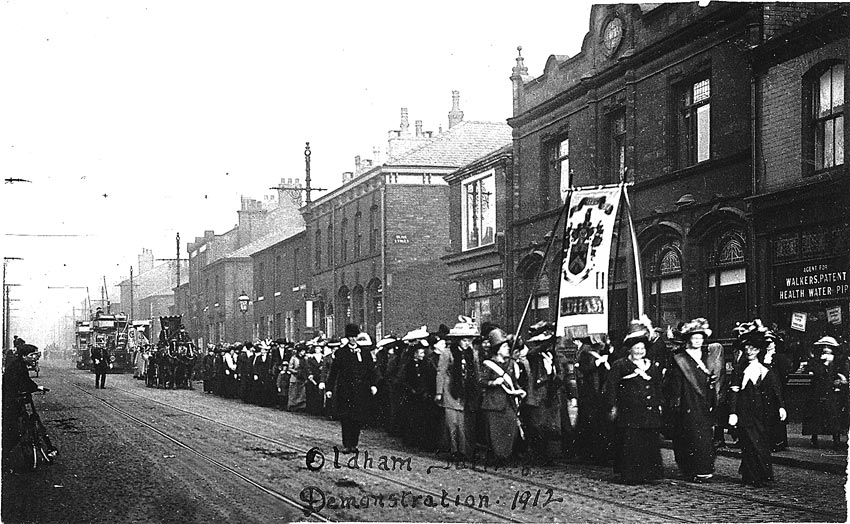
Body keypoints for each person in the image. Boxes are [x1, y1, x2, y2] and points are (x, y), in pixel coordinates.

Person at [664, 317, 723, 482]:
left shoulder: (707, 356)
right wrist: (676, 403)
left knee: (704, 437)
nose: (698, 341)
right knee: (688, 436)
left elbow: (712, 380)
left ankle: (704, 468)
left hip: (704, 402)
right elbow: (675, 383)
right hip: (687, 402)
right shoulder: (680, 358)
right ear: (689, 340)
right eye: (695, 338)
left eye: (700, 338)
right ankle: (691, 468)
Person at [604, 321, 664, 484]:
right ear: (630, 349)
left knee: (648, 442)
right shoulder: (620, 365)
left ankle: (648, 473)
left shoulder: (651, 366)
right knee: (631, 443)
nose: (639, 351)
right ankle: (631, 474)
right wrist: (612, 406)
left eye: (642, 349)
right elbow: (611, 387)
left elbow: (657, 386)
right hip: (629, 412)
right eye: (636, 348)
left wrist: (659, 403)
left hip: (648, 411)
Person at [728, 328, 786, 487]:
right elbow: (734, 392)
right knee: (749, 443)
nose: (749, 351)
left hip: (762, 413)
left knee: (760, 443)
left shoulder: (765, 369)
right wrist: (733, 412)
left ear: (759, 350)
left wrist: (781, 407)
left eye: (753, 349)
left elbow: (776, 389)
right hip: (745, 412)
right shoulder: (739, 370)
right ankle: (751, 475)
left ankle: (760, 474)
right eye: (747, 349)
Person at [325, 331, 379, 453]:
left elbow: (371, 370)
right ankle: (346, 444)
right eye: (351, 337)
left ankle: (354, 443)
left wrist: (373, 384)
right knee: (346, 417)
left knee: (357, 417)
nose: (353, 339)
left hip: (361, 390)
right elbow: (334, 372)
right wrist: (329, 388)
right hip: (345, 390)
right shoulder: (341, 352)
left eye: (355, 337)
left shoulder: (364, 352)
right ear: (347, 338)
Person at [437, 316, 481, 460]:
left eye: (469, 340)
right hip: (450, 389)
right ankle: (454, 449)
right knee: (452, 422)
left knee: (464, 423)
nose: (467, 343)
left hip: (466, 390)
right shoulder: (447, 353)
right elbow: (441, 372)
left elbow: (476, 371)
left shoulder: (472, 354)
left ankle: (464, 450)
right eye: (464, 340)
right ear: (458, 340)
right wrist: (439, 392)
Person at [479, 328, 525, 464]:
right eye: (504, 347)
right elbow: (481, 381)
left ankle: (506, 455)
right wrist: (493, 382)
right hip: (494, 403)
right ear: (497, 349)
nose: (507, 349)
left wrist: (520, 391)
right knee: (495, 432)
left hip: (508, 403)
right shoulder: (488, 364)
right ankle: (496, 456)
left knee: (509, 429)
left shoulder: (510, 364)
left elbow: (514, 383)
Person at [520, 320, 563, 464]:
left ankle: (549, 456)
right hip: (538, 394)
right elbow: (531, 354)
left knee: (552, 426)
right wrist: (543, 344)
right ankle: (539, 454)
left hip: (551, 394)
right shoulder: (535, 356)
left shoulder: (554, 356)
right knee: (538, 425)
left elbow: (560, 373)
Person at [2, 341, 49, 464]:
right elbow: (21, 383)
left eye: (35, 355)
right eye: (31, 355)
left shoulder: (19, 365)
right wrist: (35, 387)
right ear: (23, 356)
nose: (34, 358)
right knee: (13, 431)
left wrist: (36, 387)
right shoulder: (17, 367)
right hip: (10, 402)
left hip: (13, 400)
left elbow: (25, 381)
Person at [575, 335, 615, 464]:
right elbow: (584, 370)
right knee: (590, 424)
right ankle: (590, 454)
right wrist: (597, 363)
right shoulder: (586, 354)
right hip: (590, 394)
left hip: (601, 395)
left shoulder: (607, 354)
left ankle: (602, 453)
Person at [802, 336, 848, 450]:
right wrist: (824, 363)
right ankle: (814, 438)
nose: (826, 348)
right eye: (824, 346)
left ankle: (836, 440)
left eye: (829, 346)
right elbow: (815, 374)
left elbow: (843, 374)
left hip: (833, 392)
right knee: (816, 416)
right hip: (818, 391)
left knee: (834, 416)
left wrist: (841, 381)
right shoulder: (816, 361)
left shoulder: (839, 361)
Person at [304, 342, 325, 415]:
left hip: (321, 377)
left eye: (319, 348)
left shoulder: (323, 357)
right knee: (312, 392)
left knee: (320, 393)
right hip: (313, 377)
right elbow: (308, 367)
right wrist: (310, 374)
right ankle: (312, 409)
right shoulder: (311, 357)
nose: (317, 350)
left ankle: (320, 409)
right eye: (316, 348)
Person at [288, 344, 308, 412]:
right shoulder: (293, 358)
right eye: (302, 351)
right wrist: (296, 372)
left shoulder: (305, 359)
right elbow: (290, 368)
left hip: (303, 377)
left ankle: (301, 406)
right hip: (295, 377)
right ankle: (292, 406)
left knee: (302, 392)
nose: (304, 352)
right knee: (294, 392)